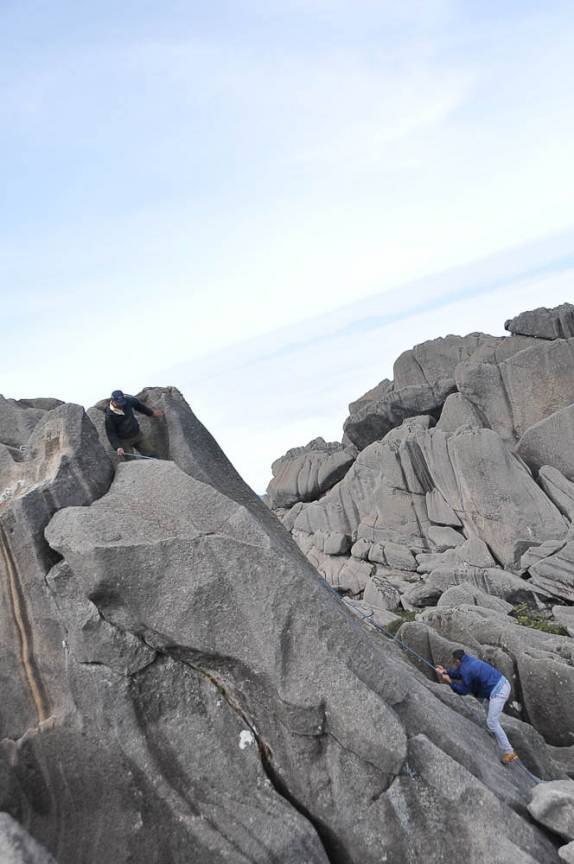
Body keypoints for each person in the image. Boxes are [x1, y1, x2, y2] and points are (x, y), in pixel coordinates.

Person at [436, 650, 518, 764]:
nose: (455, 664)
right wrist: (446, 672)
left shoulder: (466, 668)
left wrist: (450, 682)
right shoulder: (469, 661)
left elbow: (464, 690)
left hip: (498, 692)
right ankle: (494, 732)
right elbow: (461, 674)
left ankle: (509, 752)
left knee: (492, 722)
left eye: (455, 662)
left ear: (458, 661)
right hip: (502, 683)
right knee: (486, 707)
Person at [104, 390, 163, 458]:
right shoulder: (110, 415)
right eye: (119, 403)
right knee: (131, 461)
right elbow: (111, 433)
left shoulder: (128, 401)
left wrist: (151, 413)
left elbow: (138, 405)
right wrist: (118, 447)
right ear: (113, 401)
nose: (121, 405)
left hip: (137, 435)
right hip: (124, 441)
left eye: (122, 402)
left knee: (152, 454)